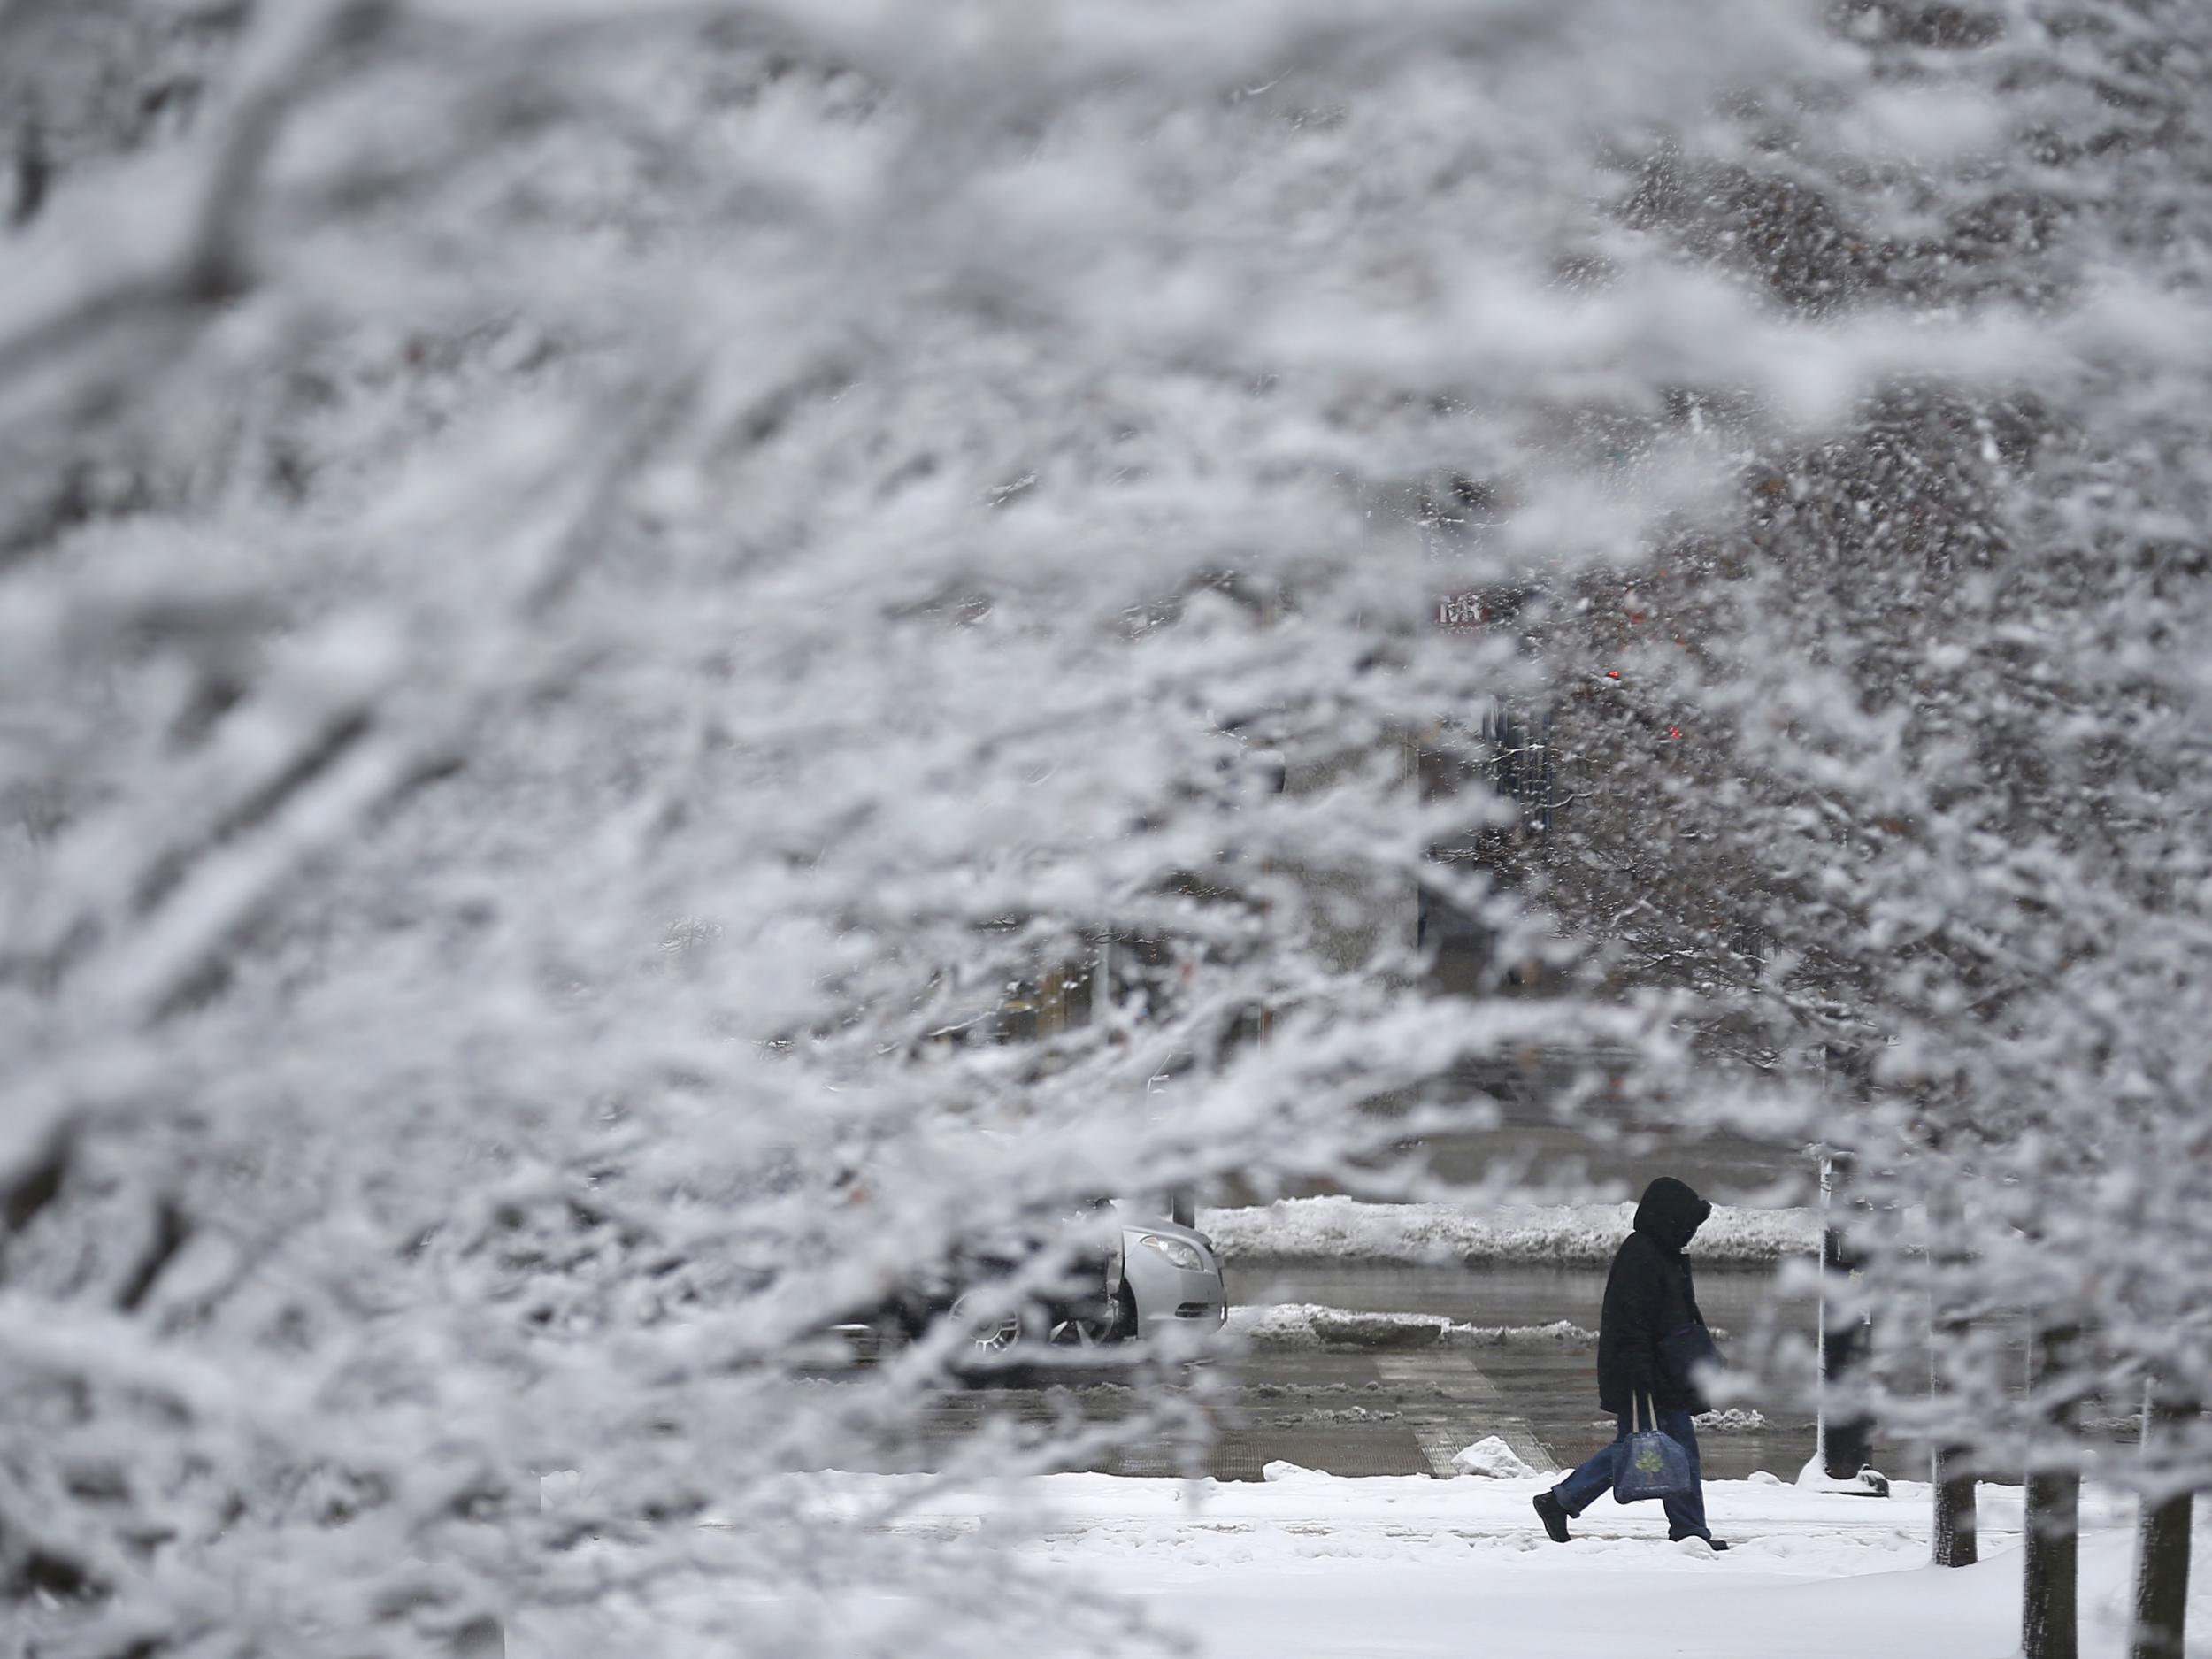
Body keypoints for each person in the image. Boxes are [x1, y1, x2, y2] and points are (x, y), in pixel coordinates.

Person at [1532, 1175, 1728, 1550]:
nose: (1690, 1233)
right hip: (1650, 1373)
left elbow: (1679, 1319)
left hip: (1662, 1370)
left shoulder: (1660, 1254)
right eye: (1687, 1224)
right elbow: (1631, 1322)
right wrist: (1641, 1375)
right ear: (1669, 1219)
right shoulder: (1643, 1257)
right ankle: (1688, 1531)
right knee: (1663, 1450)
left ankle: (1561, 1501)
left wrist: (1702, 1355)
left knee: (1646, 1448)